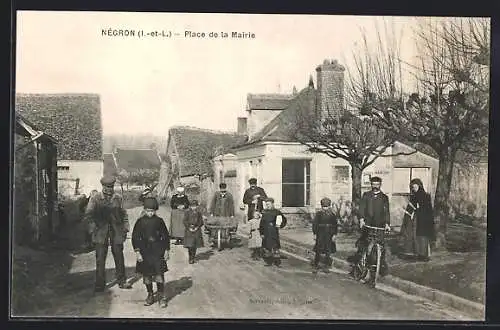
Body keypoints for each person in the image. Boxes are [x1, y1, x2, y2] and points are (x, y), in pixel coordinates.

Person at [84, 176, 133, 292]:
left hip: (116, 231)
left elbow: (124, 214)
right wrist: (93, 229)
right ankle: (100, 283)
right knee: (100, 258)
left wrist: (125, 228)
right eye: (107, 187)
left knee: (119, 256)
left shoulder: (118, 198)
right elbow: (88, 215)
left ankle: (122, 280)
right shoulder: (95, 198)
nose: (109, 189)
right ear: (102, 186)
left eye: (111, 187)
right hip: (100, 232)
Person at [348, 176, 391, 284]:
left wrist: (387, 224)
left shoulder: (384, 197)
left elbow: (386, 211)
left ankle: (378, 267)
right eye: (373, 184)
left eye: (377, 184)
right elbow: (362, 208)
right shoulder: (366, 196)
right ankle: (360, 267)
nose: (375, 186)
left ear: (380, 185)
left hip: (379, 225)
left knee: (381, 246)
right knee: (365, 246)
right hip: (368, 224)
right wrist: (361, 219)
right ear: (371, 185)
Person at [132, 197, 170, 307]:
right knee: (147, 275)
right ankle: (150, 294)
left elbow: (165, 236)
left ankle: (161, 295)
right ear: (144, 210)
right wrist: (137, 252)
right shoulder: (140, 222)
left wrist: (166, 250)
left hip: (158, 251)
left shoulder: (159, 221)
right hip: (145, 252)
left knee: (159, 274)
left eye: (152, 211)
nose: (150, 213)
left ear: (156, 210)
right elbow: (135, 237)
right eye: (148, 211)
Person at [400, 178, 435, 261]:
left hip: (423, 219)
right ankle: (413, 253)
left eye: (415, 187)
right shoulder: (413, 196)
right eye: (413, 187)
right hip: (414, 219)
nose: (414, 188)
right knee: (412, 235)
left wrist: (418, 210)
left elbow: (427, 209)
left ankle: (423, 255)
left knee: (422, 237)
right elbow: (411, 207)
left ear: (420, 186)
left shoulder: (426, 196)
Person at [312, 197, 338, 274]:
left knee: (328, 250)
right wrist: (315, 234)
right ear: (321, 206)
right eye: (324, 206)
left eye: (327, 206)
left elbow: (335, 225)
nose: (325, 208)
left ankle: (326, 266)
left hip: (329, 233)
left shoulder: (332, 215)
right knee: (318, 250)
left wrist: (334, 235)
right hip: (320, 233)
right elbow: (315, 224)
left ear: (329, 206)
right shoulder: (319, 214)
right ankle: (316, 265)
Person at [259, 198, 287, 267]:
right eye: (266, 204)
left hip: (273, 232)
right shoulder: (265, 212)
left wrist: (279, 225)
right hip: (266, 232)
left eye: (268, 204)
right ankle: (269, 262)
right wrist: (261, 233)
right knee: (267, 247)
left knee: (275, 247)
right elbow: (261, 223)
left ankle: (277, 262)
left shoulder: (277, 212)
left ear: (272, 204)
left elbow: (283, 220)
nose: (267, 206)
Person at [183, 200, 205, 264]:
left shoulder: (199, 213)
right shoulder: (187, 213)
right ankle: (190, 258)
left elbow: (201, 222)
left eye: (195, 206)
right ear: (190, 206)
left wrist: (197, 227)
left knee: (194, 245)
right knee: (190, 245)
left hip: (196, 230)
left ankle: (193, 257)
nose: (194, 207)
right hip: (189, 230)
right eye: (192, 206)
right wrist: (189, 227)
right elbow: (184, 221)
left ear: (197, 206)